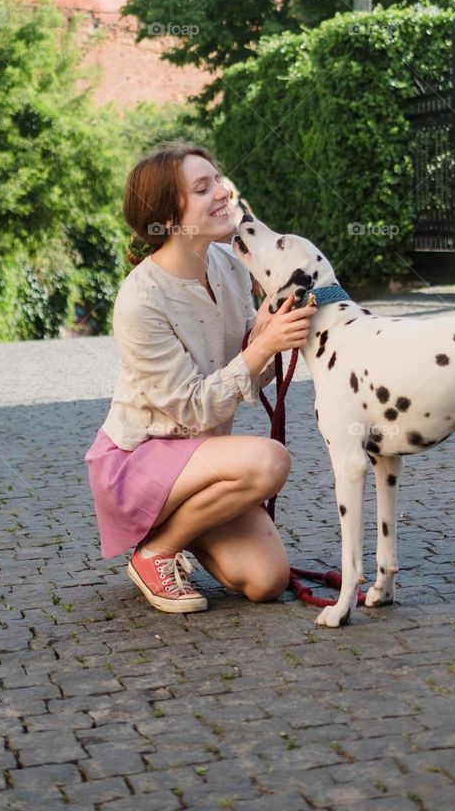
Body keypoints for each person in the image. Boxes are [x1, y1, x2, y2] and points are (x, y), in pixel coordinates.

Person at [84, 140, 316, 613]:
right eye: (203, 187)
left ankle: (176, 528)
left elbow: (249, 360)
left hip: (200, 462)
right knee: (269, 461)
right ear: (170, 217)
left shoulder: (229, 265)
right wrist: (265, 345)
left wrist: (273, 327)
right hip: (139, 459)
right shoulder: (141, 300)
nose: (223, 193)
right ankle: (155, 552)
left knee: (266, 581)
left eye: (219, 180)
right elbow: (192, 407)